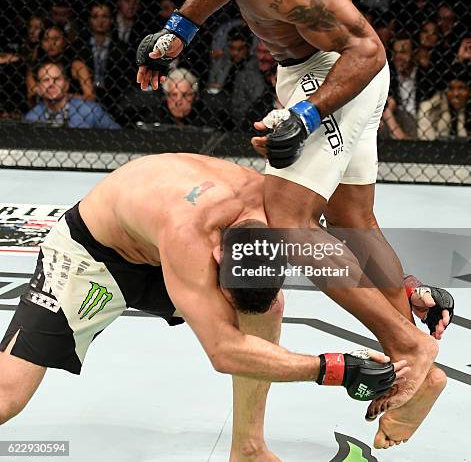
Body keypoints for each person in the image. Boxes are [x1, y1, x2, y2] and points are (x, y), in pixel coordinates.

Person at [135, 0, 452, 448]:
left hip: (336, 72)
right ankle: (424, 369)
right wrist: (178, 30)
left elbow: (368, 51)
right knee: (354, 222)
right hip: (313, 66)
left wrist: (304, 114)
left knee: (288, 223)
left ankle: (410, 349)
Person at [0, 154, 406, 460]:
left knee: (267, 309)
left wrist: (412, 290)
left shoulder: (283, 211)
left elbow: (350, 247)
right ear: (217, 255)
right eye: (226, 291)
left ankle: (248, 448)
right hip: (91, 257)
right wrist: (334, 368)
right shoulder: (189, 232)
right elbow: (223, 351)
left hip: (154, 249)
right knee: (8, 397)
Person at [24, 62, 120, 129]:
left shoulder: (89, 110)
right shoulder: (32, 118)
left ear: (66, 85)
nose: (51, 84)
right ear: (39, 87)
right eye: (45, 80)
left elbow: (117, 133)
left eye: (56, 79)